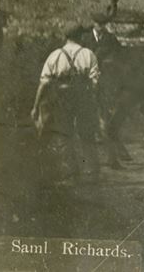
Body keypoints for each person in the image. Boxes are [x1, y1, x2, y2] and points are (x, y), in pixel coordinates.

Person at [31, 25, 102, 183]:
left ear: (66, 37)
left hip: (62, 99)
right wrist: (94, 101)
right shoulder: (88, 54)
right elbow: (95, 82)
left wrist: (36, 106)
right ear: (80, 37)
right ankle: (93, 173)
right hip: (83, 98)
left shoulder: (55, 55)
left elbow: (44, 83)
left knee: (65, 134)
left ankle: (72, 173)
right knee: (87, 134)